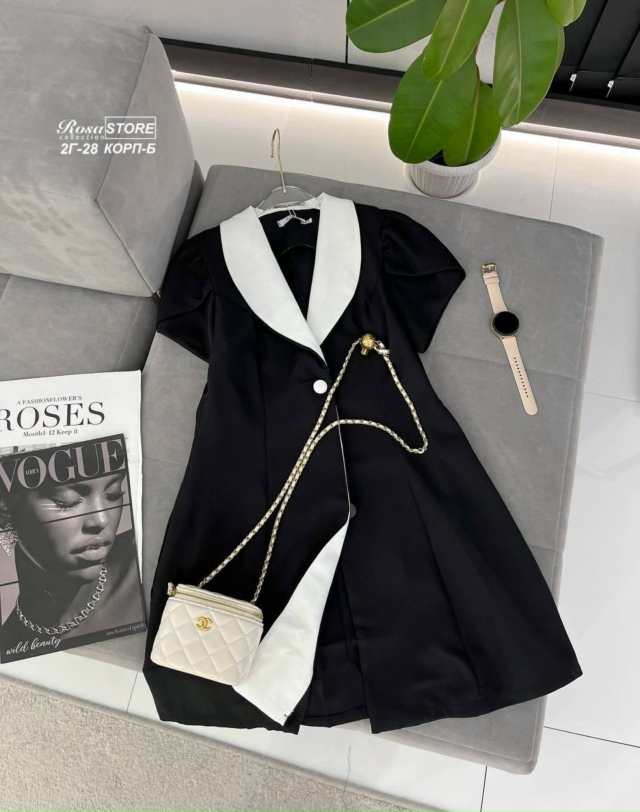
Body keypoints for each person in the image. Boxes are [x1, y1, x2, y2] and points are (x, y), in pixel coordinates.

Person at [0, 468, 141, 661]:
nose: (102, 519)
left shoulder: (145, 558)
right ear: (5, 508)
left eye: (113, 494)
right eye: (68, 500)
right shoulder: (9, 645)